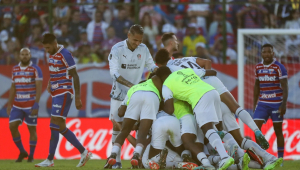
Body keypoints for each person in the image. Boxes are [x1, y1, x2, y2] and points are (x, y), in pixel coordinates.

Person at [159, 33, 269, 150]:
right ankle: (257, 131)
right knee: (236, 107)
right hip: (212, 79)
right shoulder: (185, 59)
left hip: (200, 86)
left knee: (209, 125)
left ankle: (222, 143)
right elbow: (207, 62)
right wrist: (207, 73)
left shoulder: (169, 69)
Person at [156, 66, 235, 170]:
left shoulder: (166, 85)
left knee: (206, 131)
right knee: (214, 129)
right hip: (213, 92)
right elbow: (212, 72)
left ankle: (224, 156)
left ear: (160, 78)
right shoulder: (185, 71)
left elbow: (170, 109)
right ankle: (231, 153)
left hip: (199, 99)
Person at [35, 33, 92, 167]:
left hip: (64, 92)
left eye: (48, 47)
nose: (47, 50)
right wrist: (50, 82)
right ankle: (81, 152)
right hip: (56, 92)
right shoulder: (52, 54)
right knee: (58, 126)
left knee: (55, 123)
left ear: (55, 44)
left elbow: (75, 76)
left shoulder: (65, 54)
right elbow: (56, 71)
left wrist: (77, 97)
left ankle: (52, 159)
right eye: (45, 48)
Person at [107, 24, 157, 168]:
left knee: (141, 126)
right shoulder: (117, 49)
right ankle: (116, 160)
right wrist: (131, 85)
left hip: (137, 94)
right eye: (135, 40)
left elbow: (151, 66)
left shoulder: (144, 49)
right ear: (128, 35)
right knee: (117, 126)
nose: (137, 43)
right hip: (119, 94)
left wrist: (160, 71)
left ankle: (140, 159)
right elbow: (114, 73)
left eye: (140, 40)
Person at [105, 75, 162, 169]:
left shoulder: (134, 88)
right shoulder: (155, 88)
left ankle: (113, 155)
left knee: (123, 132)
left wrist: (130, 121)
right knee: (142, 135)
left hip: (135, 96)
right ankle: (136, 156)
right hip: (152, 97)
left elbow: (120, 113)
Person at [253, 44, 288, 164]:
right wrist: (254, 104)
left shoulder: (279, 67)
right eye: (264, 52)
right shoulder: (258, 67)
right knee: (255, 128)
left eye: (269, 52)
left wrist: (283, 105)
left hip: (276, 104)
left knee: (278, 131)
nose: (267, 54)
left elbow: (285, 87)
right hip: (262, 103)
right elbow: (257, 86)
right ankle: (262, 157)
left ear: (273, 54)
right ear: (261, 54)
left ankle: (280, 159)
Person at [7, 48, 42, 163]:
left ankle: (31, 155)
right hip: (17, 104)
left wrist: (36, 103)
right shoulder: (15, 69)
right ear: (19, 56)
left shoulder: (35, 69)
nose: (25, 56)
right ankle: (22, 151)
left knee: (31, 129)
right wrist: (9, 104)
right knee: (12, 126)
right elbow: (13, 87)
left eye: (27, 54)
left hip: (30, 104)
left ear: (30, 55)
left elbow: (39, 87)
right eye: (23, 54)